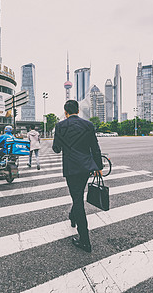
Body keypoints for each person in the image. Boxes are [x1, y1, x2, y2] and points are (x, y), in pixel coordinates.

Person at [52, 100, 103, 253]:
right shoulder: (88, 125)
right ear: (78, 110)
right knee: (78, 195)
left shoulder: (60, 126)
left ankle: (85, 241)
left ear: (65, 112)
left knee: (78, 200)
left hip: (71, 168)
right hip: (86, 168)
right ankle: (73, 216)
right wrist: (98, 167)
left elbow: (56, 149)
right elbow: (95, 147)